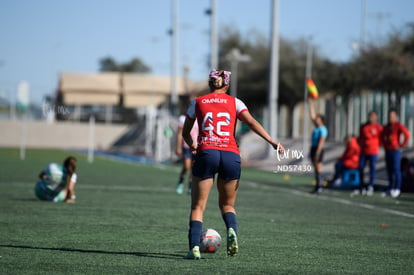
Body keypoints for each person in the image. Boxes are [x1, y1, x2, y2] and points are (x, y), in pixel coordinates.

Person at [182, 69, 285, 259]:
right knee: (227, 205)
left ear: (210, 83)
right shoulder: (235, 102)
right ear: (227, 85)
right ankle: (231, 229)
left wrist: (194, 146)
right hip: (231, 154)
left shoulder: (197, 102)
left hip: (207, 153)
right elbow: (252, 122)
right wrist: (272, 142)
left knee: (198, 206)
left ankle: (194, 248)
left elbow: (186, 133)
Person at [382, 109, 410, 198]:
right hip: (388, 150)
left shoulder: (398, 125)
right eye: (390, 116)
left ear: (396, 116)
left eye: (392, 116)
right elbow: (382, 137)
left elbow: (407, 134)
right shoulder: (386, 127)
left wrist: (402, 145)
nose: (391, 117)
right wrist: (385, 145)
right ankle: (390, 188)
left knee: (396, 169)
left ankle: (397, 188)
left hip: (396, 150)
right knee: (389, 170)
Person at [357, 111, 383, 196]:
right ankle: (361, 186)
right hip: (364, 151)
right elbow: (360, 137)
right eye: (370, 116)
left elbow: (381, 138)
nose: (371, 118)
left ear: (376, 118)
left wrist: (377, 146)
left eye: (373, 116)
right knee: (360, 167)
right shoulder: (364, 127)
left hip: (373, 151)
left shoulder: (378, 127)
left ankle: (370, 185)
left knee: (372, 168)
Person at [175, 108, 199, 195]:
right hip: (187, 146)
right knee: (186, 166)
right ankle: (181, 181)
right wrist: (178, 147)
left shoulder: (200, 118)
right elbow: (179, 134)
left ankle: (190, 186)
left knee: (193, 168)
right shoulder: (183, 118)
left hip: (196, 146)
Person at [308, 97, 328, 194]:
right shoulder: (316, 127)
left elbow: (321, 142)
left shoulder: (323, 129)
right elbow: (312, 116)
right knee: (316, 168)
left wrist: (317, 152)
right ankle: (317, 186)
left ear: (321, 120)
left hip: (318, 149)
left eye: (318, 119)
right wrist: (310, 103)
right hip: (313, 148)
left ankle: (320, 186)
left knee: (318, 168)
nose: (316, 119)